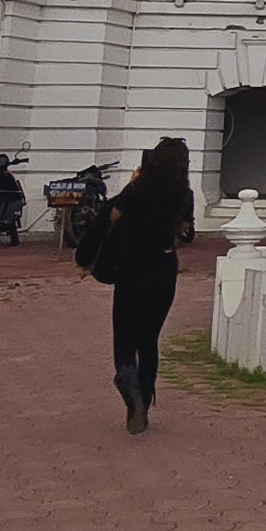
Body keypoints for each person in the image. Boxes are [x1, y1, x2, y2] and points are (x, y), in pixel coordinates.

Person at [100, 136, 196, 434]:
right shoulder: (185, 193)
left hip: (132, 269)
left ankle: (131, 392)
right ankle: (144, 396)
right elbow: (187, 232)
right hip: (163, 269)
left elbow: (113, 216)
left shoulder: (139, 188)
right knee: (149, 339)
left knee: (125, 339)